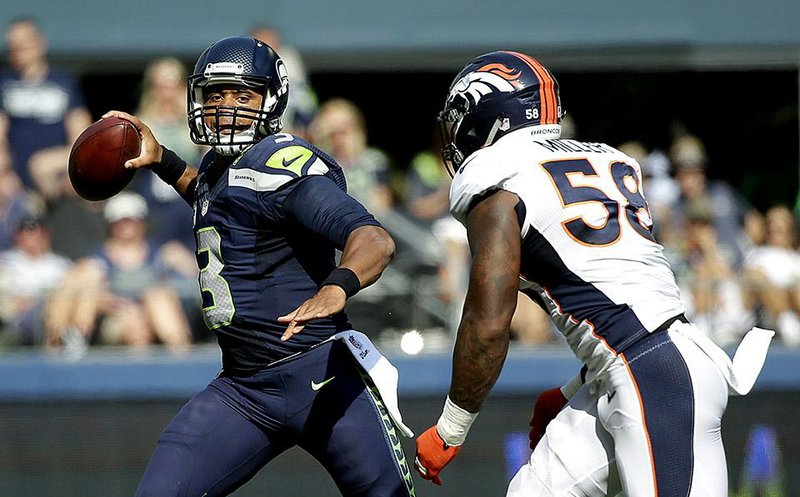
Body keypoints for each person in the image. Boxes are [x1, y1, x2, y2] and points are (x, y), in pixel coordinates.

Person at [413, 50, 775, 496]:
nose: (459, 136)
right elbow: (618, 294)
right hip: (636, 366)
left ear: (494, 115)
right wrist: (575, 386)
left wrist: (451, 427)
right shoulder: (605, 159)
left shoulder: (499, 183)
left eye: (464, 118)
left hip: (652, 376)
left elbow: (488, 324)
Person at [104, 36, 414, 496]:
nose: (226, 106)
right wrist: (164, 162)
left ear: (271, 101)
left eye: (242, 94)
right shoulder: (218, 166)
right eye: (215, 94)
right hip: (244, 387)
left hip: (321, 376)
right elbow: (226, 204)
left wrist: (337, 286)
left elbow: (373, 239)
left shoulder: (284, 164)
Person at [0, 18, 92, 196]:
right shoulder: (5, 83)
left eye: (25, 42)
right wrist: (4, 170)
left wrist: (70, 168)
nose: (19, 49)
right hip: (16, 180)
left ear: (40, 43)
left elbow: (80, 133)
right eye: (14, 44)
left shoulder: (64, 82)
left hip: (54, 177)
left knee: (41, 166)